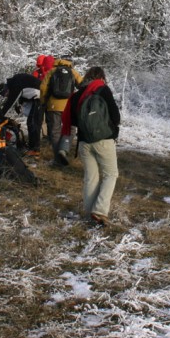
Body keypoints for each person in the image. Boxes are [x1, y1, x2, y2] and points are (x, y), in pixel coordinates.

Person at [61, 67, 121, 226]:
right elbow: (116, 115)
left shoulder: (78, 94)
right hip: (104, 140)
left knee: (91, 178)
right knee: (111, 174)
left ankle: (90, 213)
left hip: (83, 142)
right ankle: (100, 211)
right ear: (101, 77)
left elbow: (73, 120)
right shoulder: (102, 89)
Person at [0, 72, 44, 157]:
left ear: (6, 89)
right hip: (36, 97)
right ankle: (32, 147)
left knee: (33, 123)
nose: (7, 96)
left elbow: (10, 102)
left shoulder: (15, 86)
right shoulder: (15, 82)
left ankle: (35, 149)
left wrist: (0, 115)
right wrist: (19, 105)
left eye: (6, 94)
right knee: (31, 123)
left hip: (41, 97)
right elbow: (23, 94)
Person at [41, 57, 83, 165]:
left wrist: (44, 101)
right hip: (69, 106)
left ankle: (57, 159)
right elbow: (83, 86)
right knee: (70, 128)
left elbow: (43, 88)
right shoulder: (73, 72)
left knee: (55, 131)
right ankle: (63, 149)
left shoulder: (52, 71)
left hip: (53, 106)